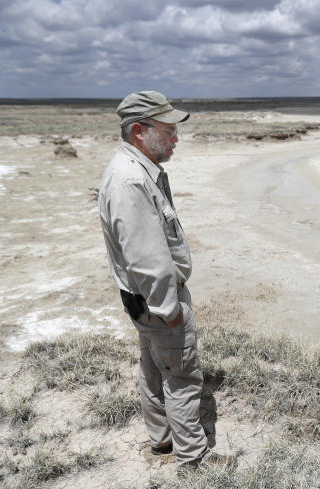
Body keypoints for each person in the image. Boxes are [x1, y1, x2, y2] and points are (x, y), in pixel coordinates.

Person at [98, 90, 228, 469]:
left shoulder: (135, 170)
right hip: (157, 300)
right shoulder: (130, 181)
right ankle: (194, 459)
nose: (176, 139)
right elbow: (146, 258)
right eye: (168, 130)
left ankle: (163, 441)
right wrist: (169, 309)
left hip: (143, 300)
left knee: (154, 368)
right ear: (139, 131)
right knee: (182, 376)